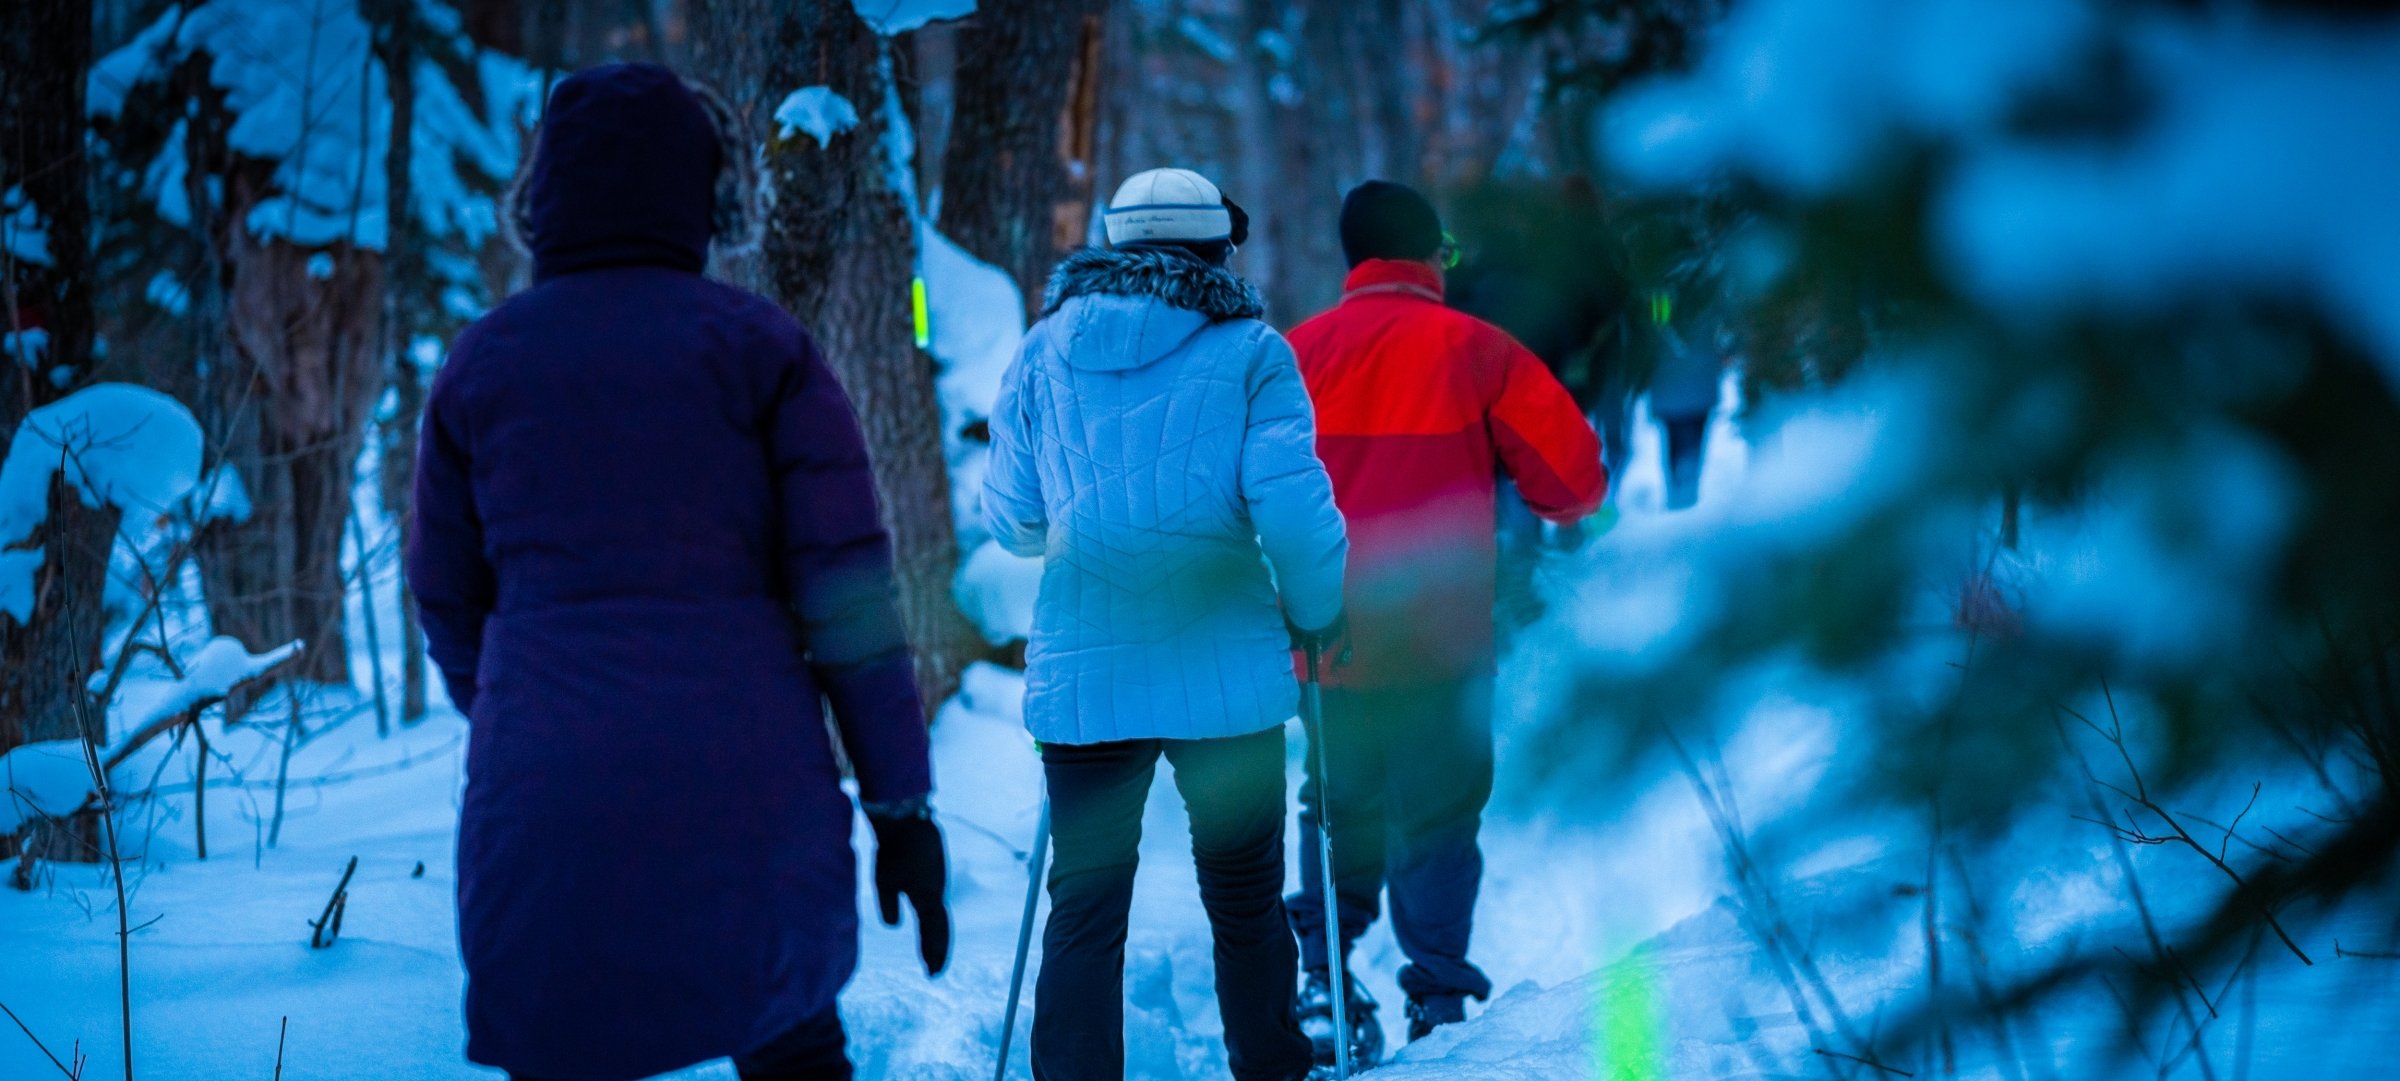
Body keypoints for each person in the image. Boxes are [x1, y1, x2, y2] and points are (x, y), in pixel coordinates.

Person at [406, 64, 948, 1081]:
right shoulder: (759, 348)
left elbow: (444, 594)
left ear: (544, 193)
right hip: (751, 790)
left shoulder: (483, 363)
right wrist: (900, 805)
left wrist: (530, 706)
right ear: (703, 189)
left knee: (566, 1038)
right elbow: (849, 599)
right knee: (787, 1039)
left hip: (546, 796)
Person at [982, 166, 1348, 1081]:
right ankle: (1270, 1065)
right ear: (1215, 250)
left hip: (1085, 671)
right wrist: (1318, 612)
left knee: (1087, 901)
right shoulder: (1254, 353)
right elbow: (1294, 513)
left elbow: (1015, 521)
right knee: (1245, 900)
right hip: (1226, 676)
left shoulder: (1041, 351)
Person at [1283, 180, 1608, 1063]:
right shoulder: (1477, 350)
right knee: (1437, 816)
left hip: (1327, 640)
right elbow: (1574, 485)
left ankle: (1321, 982)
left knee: (1334, 806)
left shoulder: (1295, 355)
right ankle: (1437, 996)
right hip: (1442, 641)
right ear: (1430, 254)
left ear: (1355, 259)